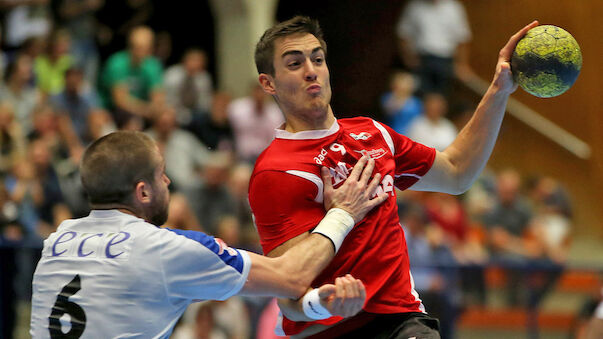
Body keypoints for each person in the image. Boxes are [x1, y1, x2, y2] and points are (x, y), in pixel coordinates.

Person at [248, 15, 539, 338]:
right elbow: (289, 292)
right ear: (268, 83)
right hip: (328, 331)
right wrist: (323, 301)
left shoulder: (373, 133)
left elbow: (457, 172)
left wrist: (499, 89)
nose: (311, 70)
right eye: (294, 64)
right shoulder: (275, 171)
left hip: (402, 321)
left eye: (317, 59)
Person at [29, 130, 387, 338]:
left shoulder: (56, 242)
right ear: (142, 192)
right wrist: (342, 214)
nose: (168, 182)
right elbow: (291, 277)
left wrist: (314, 304)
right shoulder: (166, 248)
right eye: (161, 174)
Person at [396, 0, 473, 96]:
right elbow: (403, 34)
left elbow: (462, 38)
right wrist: (408, 58)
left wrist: (462, 65)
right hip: (421, 60)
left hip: (445, 61)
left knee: (441, 98)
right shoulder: (414, 6)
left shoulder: (454, 8)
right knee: (420, 95)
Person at [98, 26, 164, 127]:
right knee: (133, 122)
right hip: (114, 110)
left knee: (166, 117)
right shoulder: (116, 63)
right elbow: (120, 100)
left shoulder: (153, 65)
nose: (141, 51)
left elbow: (158, 95)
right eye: (137, 47)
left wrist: (156, 109)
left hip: (143, 109)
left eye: (146, 47)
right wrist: (146, 110)